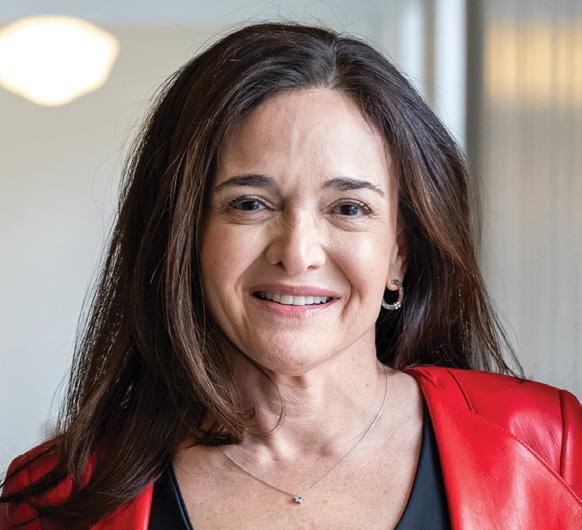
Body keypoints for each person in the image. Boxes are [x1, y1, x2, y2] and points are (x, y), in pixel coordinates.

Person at [1, 21, 580, 530]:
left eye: (348, 208)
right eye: (250, 204)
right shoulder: (50, 501)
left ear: (399, 254)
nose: (297, 253)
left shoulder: (551, 451)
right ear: (184, 238)